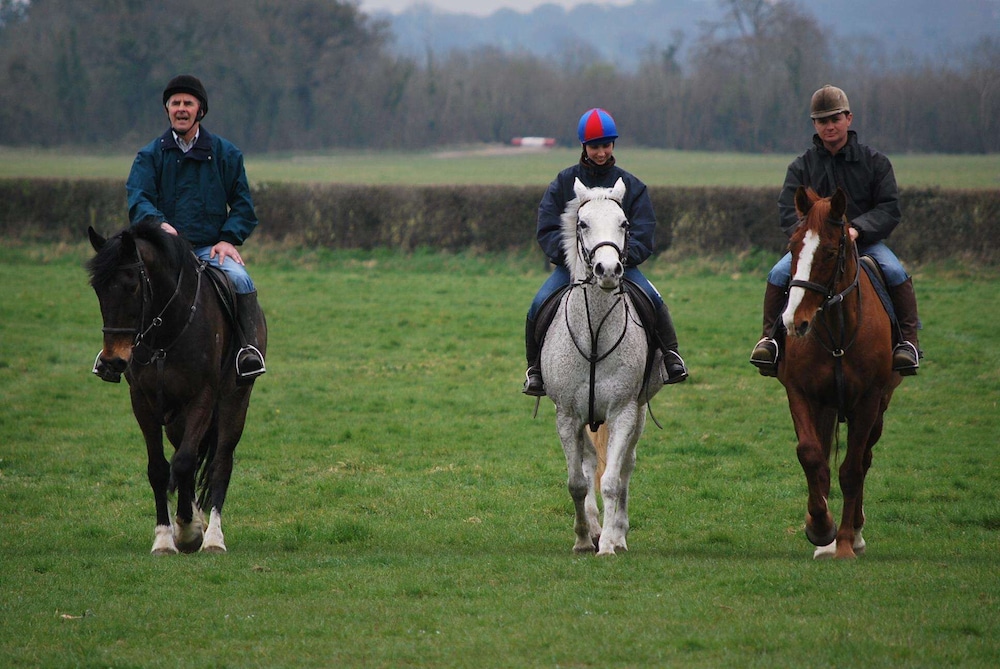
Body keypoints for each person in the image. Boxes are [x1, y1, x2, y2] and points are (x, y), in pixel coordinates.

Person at [749, 84, 921, 377]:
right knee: (778, 274)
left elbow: (889, 208)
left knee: (895, 272)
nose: (829, 126)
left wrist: (858, 230)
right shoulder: (801, 166)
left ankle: (907, 344)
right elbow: (788, 210)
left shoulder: (875, 163)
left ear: (848, 119)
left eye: (835, 119)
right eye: (822, 121)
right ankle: (771, 341)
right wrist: (808, 238)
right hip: (818, 250)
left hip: (863, 243)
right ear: (814, 124)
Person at [523, 107, 688, 396]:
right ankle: (535, 370)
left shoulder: (632, 186)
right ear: (584, 146)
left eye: (606, 145)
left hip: (620, 265)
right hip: (573, 268)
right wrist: (574, 260)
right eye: (595, 146)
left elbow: (644, 230)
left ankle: (671, 357)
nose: (601, 152)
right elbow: (547, 228)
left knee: (654, 299)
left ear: (613, 145)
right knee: (538, 305)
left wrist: (621, 258)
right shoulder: (564, 183)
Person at [126, 74, 266, 381]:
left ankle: (247, 351)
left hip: (208, 248)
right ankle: (117, 352)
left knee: (242, 281)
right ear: (167, 110)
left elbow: (243, 206)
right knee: (128, 283)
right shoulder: (149, 156)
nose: (180, 108)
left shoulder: (227, 154)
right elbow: (139, 199)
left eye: (188, 103)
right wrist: (158, 223)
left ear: (200, 110)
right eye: (174, 103)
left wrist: (228, 239)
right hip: (163, 250)